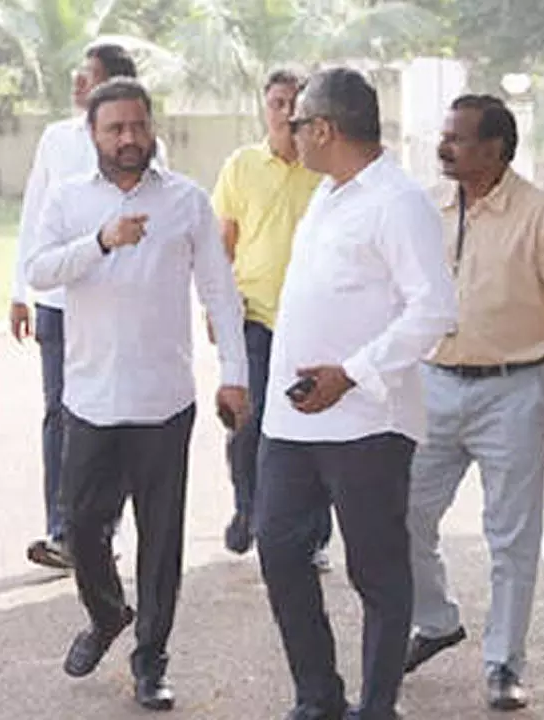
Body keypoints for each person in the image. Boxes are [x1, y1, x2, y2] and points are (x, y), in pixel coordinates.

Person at [26, 77, 249, 711]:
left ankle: (152, 659)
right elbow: (39, 271)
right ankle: (105, 616)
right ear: (92, 135)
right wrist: (100, 242)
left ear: (153, 130)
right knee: (84, 528)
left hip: (163, 401)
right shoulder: (69, 201)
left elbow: (219, 293)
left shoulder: (186, 201)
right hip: (91, 399)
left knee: (161, 539)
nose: (129, 138)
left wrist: (234, 374)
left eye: (138, 126)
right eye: (115, 128)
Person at [256, 68, 457, 720]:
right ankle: (319, 698)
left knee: (376, 573)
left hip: (368, 423)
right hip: (293, 426)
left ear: (324, 129)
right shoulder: (330, 194)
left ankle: (376, 708)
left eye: (297, 123)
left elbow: (434, 312)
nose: (287, 132)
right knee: (280, 552)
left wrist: (351, 373)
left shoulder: (397, 203)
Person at [404, 95, 544, 711]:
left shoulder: (541, 214)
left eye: (457, 139)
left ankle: (503, 665)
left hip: (517, 391)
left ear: (495, 149)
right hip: (433, 386)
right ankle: (435, 620)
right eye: (444, 136)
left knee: (512, 537)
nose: (444, 147)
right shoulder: (424, 208)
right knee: (400, 513)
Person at [10, 43, 168, 570]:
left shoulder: (149, 152)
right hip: (57, 298)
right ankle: (65, 530)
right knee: (61, 411)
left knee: (114, 412)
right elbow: (34, 217)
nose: (77, 84)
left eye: (89, 77)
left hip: (115, 304)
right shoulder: (56, 140)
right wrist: (18, 291)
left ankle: (100, 528)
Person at [211, 69, 332, 569]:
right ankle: (248, 510)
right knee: (247, 418)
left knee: (316, 423)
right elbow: (223, 241)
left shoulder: (325, 171)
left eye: (293, 104)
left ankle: (314, 536)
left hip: (313, 323)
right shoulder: (241, 165)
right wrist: (216, 309)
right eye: (277, 103)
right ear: (266, 108)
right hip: (253, 316)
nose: (285, 112)